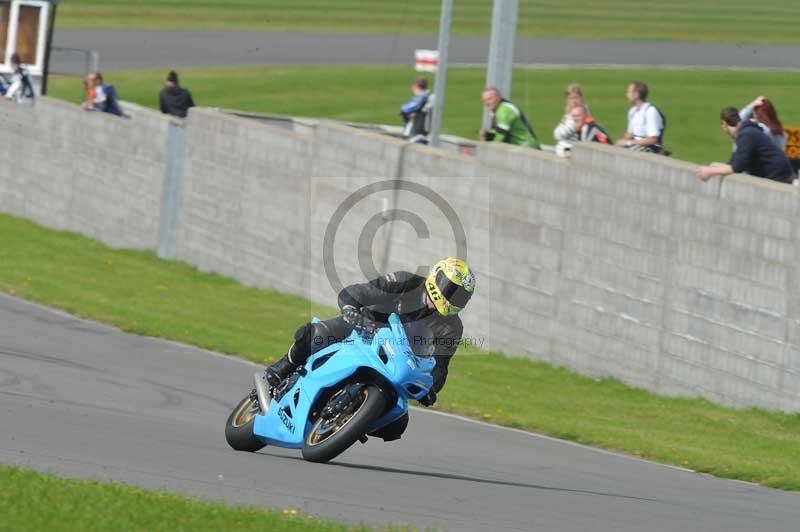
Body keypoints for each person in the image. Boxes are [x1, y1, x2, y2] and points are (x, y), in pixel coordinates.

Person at [264, 258, 476, 441]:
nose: (451, 298)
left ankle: (353, 419)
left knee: (397, 424)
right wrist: (351, 307)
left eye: (460, 297)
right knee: (316, 334)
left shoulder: (452, 328)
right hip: (362, 330)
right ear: (436, 277)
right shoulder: (405, 281)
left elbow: (440, 366)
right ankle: (284, 366)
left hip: (397, 364)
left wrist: (430, 389)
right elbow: (363, 291)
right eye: (451, 290)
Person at [697, 107, 794, 184]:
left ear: (724, 124)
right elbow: (733, 161)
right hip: (779, 175)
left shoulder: (746, 135)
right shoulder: (746, 133)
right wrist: (713, 168)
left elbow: (737, 167)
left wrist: (709, 172)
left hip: (780, 178)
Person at [615, 81, 667, 154]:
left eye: (629, 92)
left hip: (650, 149)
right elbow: (629, 134)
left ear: (636, 94)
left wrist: (628, 143)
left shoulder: (650, 111)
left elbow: (653, 139)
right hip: (636, 145)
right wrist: (621, 142)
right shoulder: (632, 111)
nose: (627, 95)